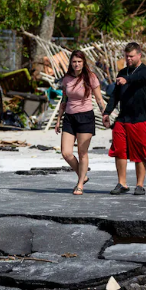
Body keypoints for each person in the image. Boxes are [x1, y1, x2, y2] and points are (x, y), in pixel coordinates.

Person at [102, 42, 146, 195]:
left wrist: (127, 80)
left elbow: (138, 77)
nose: (128, 59)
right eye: (126, 56)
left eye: (131, 56)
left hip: (141, 118)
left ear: (139, 55)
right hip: (123, 119)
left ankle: (140, 185)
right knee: (119, 151)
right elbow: (115, 95)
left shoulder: (145, 71)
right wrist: (107, 112)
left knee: (140, 153)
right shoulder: (122, 72)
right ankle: (122, 183)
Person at [55, 50, 107, 195]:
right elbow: (64, 100)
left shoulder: (91, 78)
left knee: (82, 152)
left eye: (79, 61)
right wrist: (58, 119)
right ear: (70, 63)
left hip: (85, 117)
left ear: (83, 63)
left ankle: (79, 184)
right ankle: (83, 176)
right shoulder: (66, 79)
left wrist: (105, 115)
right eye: (74, 61)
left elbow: (99, 100)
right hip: (69, 118)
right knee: (66, 153)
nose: (76, 64)